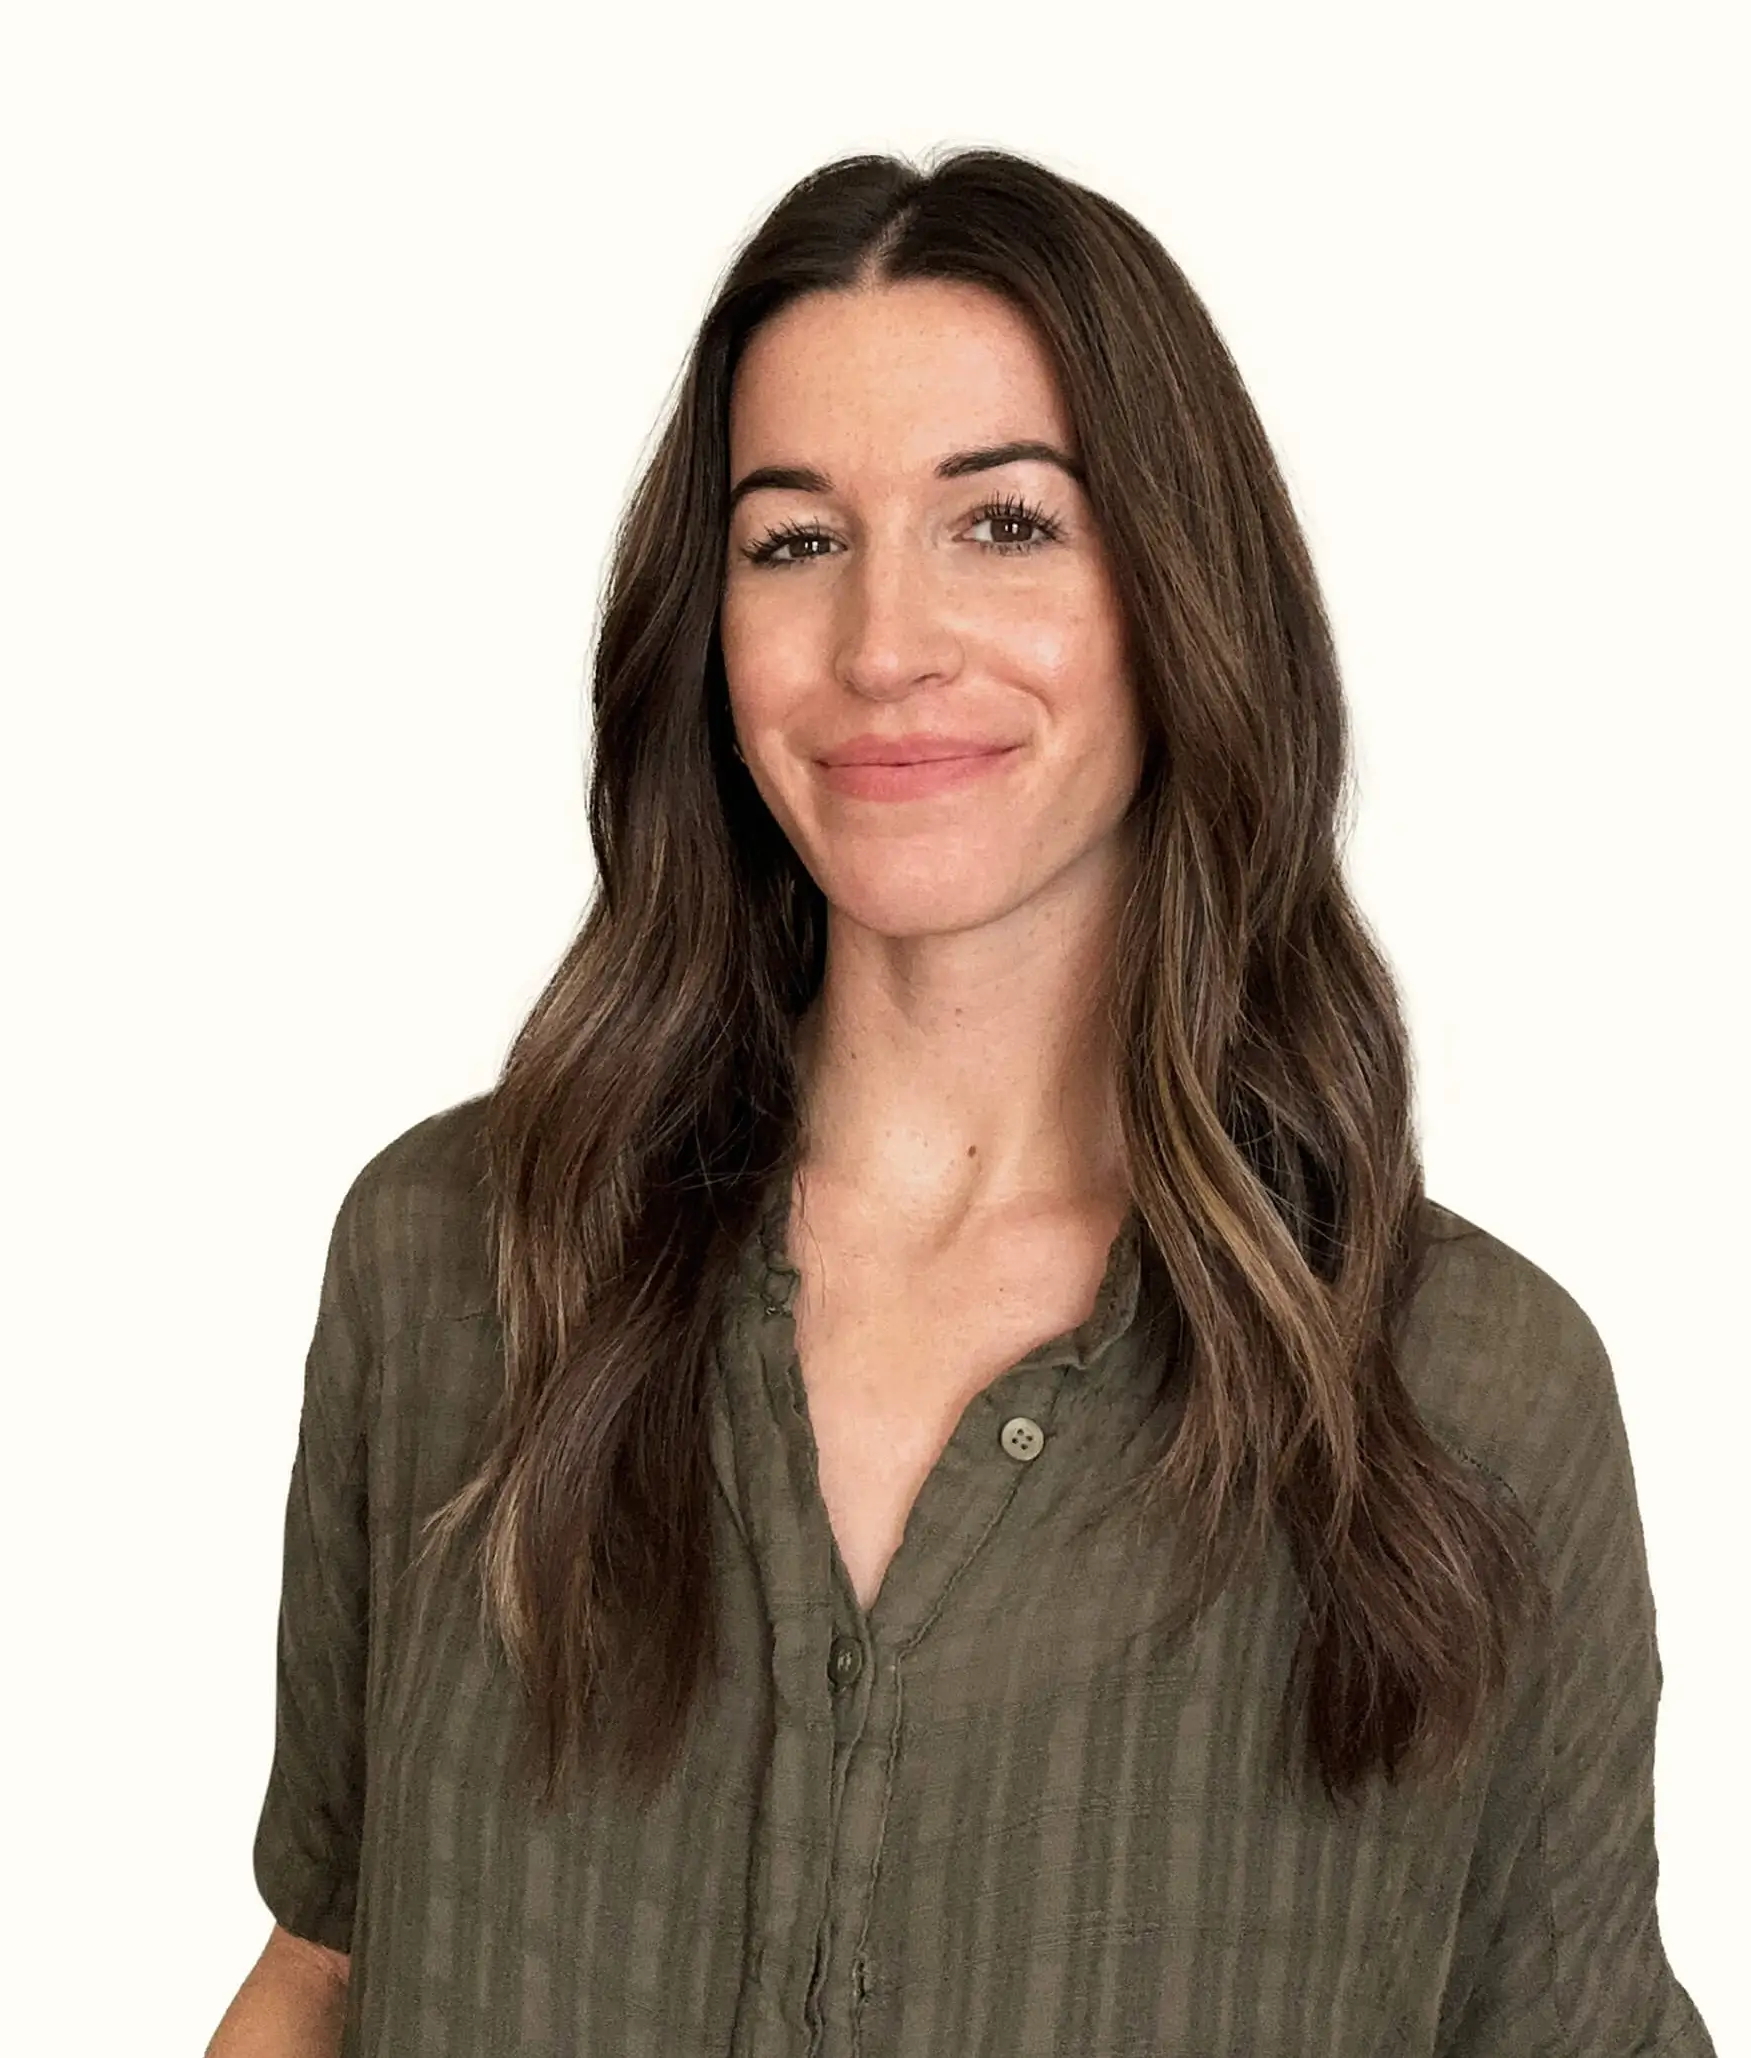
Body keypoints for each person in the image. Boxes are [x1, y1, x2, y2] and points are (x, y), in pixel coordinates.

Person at [207, 147, 1715, 2057]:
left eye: (1001, 523)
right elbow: (324, 1969)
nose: (881, 645)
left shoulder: (1467, 1398)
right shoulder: (455, 1264)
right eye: (792, 541)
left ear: (1177, 592)